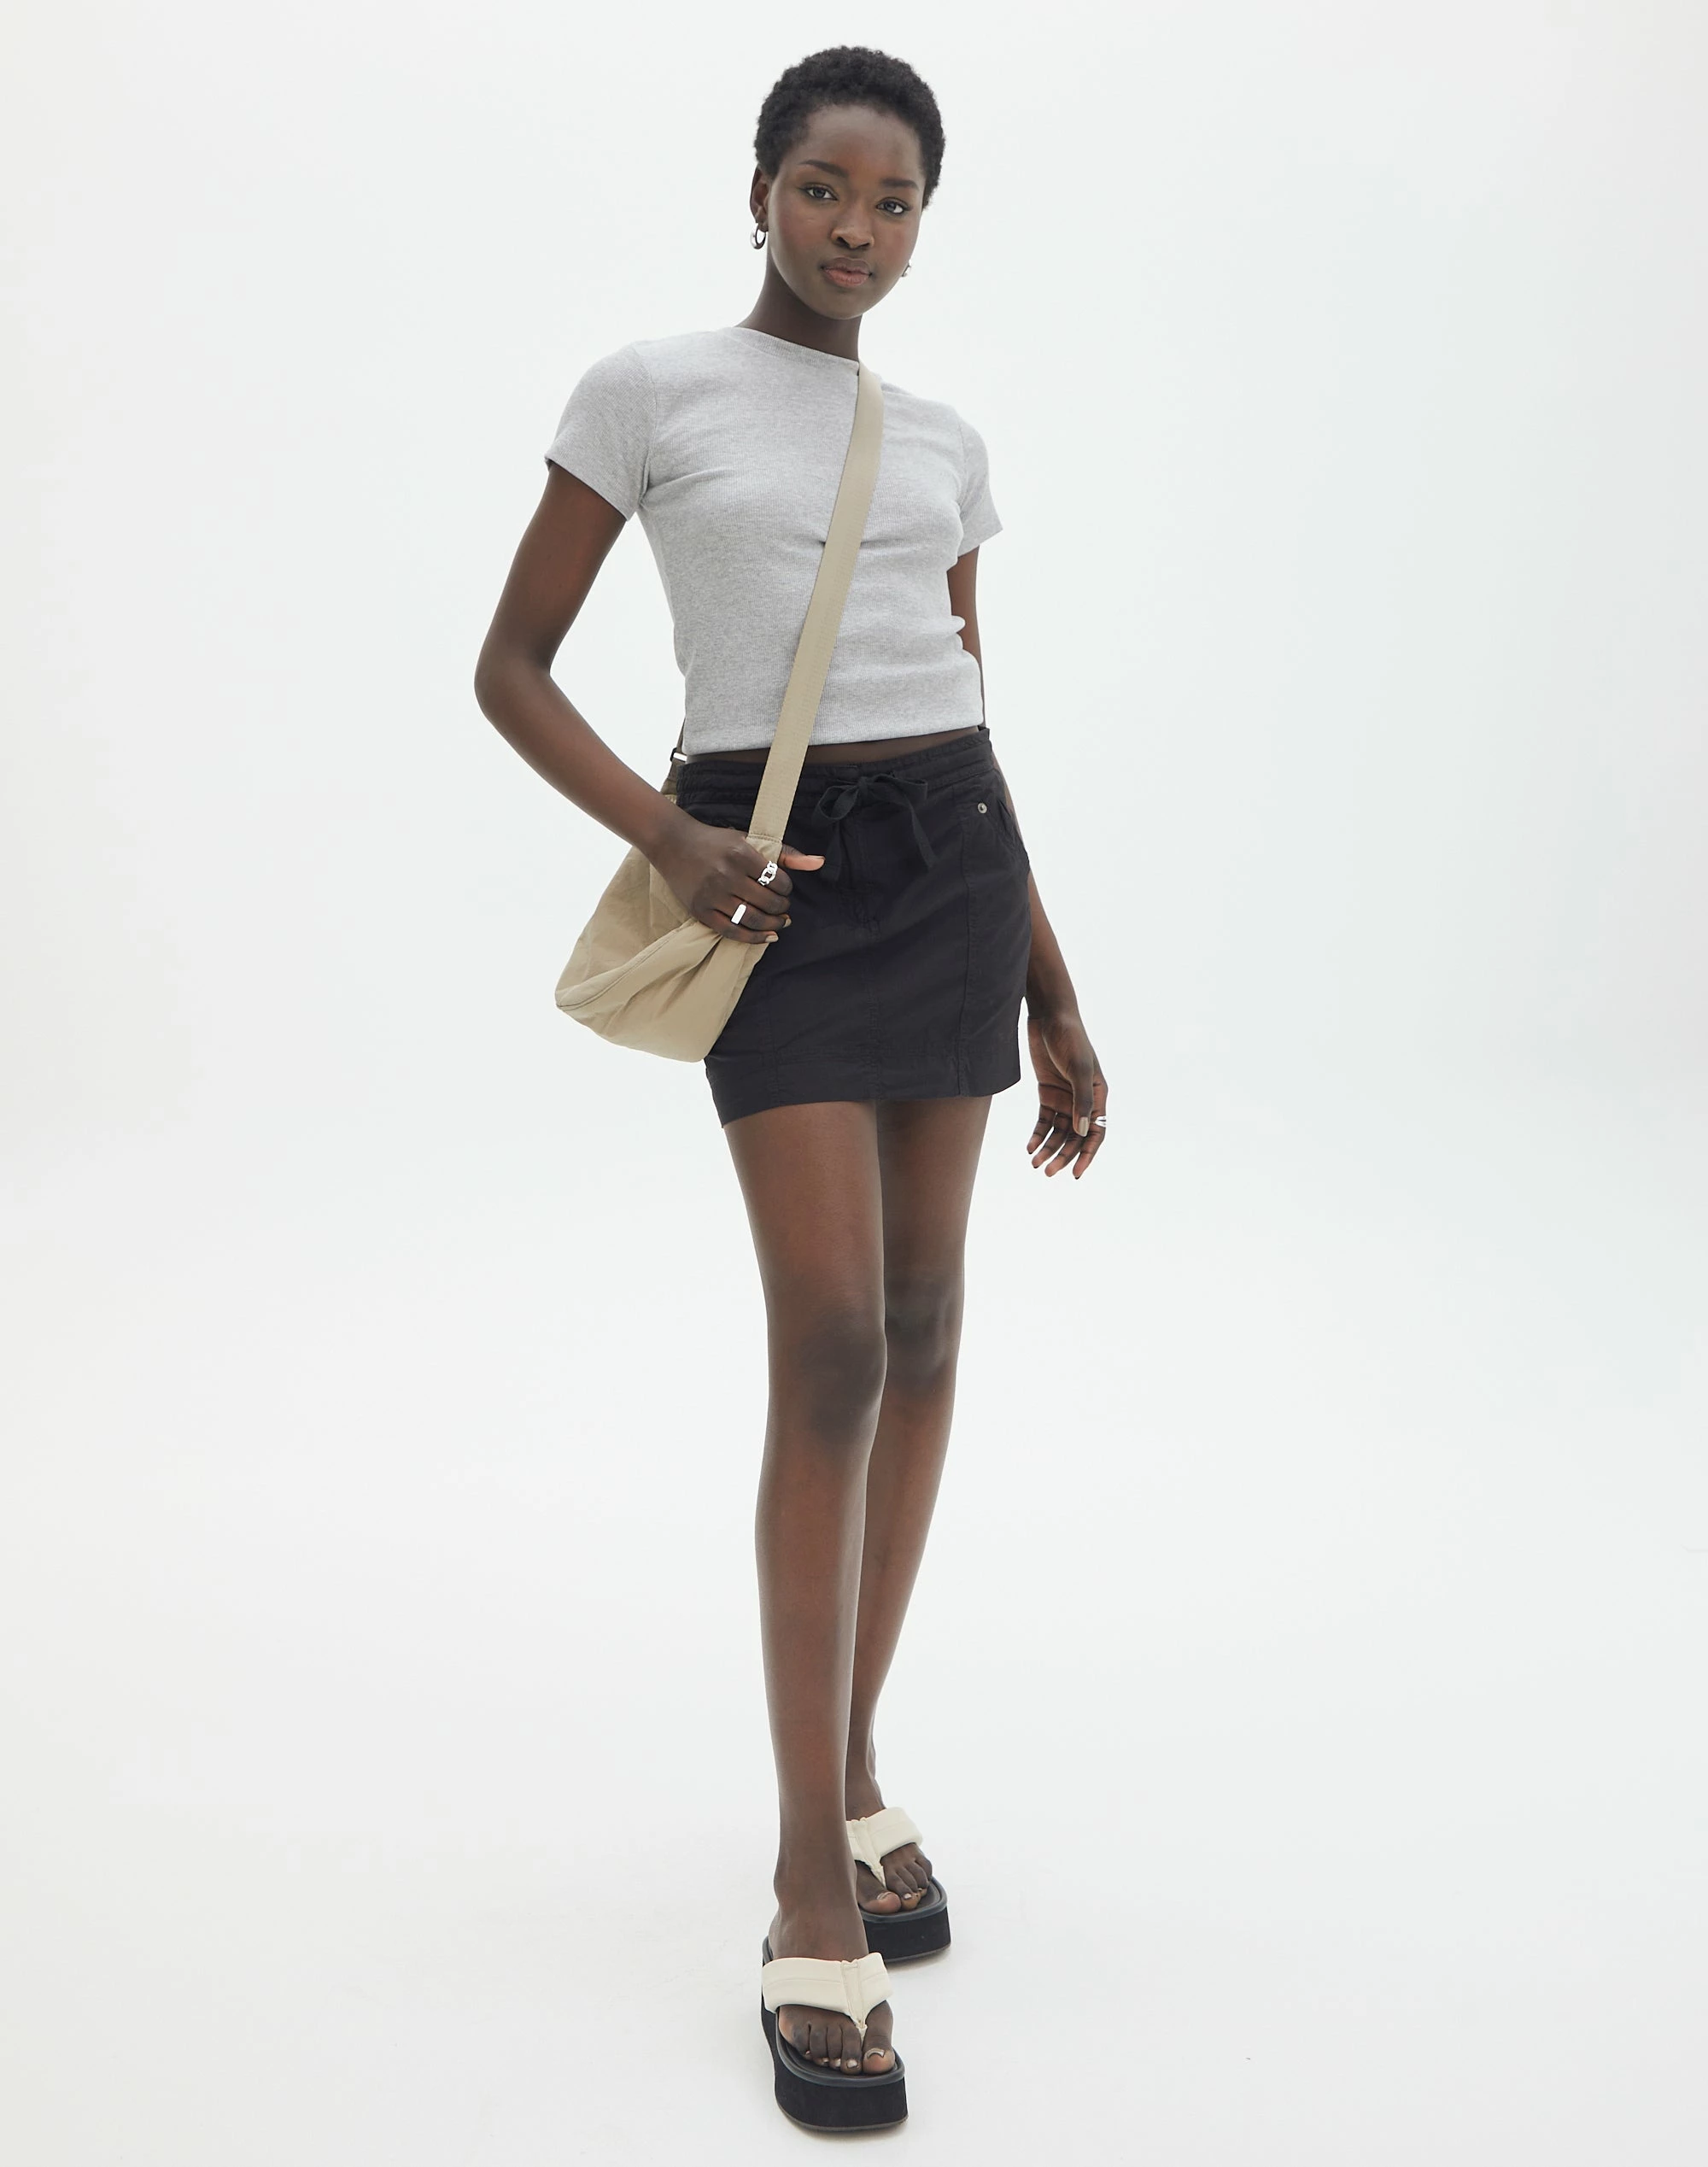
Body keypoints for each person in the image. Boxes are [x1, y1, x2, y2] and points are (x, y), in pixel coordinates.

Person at [473, 44, 1108, 2129]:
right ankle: (803, 1877)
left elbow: (968, 707)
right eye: (825, 187)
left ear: (924, 222)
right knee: (829, 1338)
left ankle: (852, 1760)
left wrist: (1053, 987)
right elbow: (507, 666)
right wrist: (670, 839)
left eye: (894, 200)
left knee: (923, 1324)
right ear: (758, 188)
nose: (857, 228)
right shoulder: (647, 392)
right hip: (771, 874)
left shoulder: (941, 442)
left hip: (953, 868)